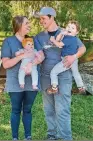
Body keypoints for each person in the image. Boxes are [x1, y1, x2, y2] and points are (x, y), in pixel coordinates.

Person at [33, 7, 86, 140]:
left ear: (51, 17)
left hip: (63, 77)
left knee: (62, 110)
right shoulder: (39, 37)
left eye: (43, 18)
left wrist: (74, 57)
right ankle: (52, 136)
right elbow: (39, 56)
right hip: (46, 77)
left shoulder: (66, 32)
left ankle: (65, 138)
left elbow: (82, 48)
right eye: (40, 19)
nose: (41, 21)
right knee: (49, 110)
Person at [1, 16, 44, 140]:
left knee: (27, 110)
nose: (29, 25)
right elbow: (6, 64)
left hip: (32, 82)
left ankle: (28, 137)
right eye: (27, 23)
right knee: (15, 110)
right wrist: (22, 56)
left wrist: (32, 63)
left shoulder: (32, 39)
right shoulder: (8, 41)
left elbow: (41, 56)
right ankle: (15, 137)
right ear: (19, 25)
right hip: (15, 82)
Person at [47, 20, 85, 94]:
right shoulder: (71, 38)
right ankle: (81, 87)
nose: (70, 29)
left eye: (73, 28)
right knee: (76, 73)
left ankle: (54, 88)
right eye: (69, 27)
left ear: (76, 32)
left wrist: (53, 40)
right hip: (74, 60)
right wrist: (61, 33)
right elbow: (59, 39)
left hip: (67, 60)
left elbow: (59, 44)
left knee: (53, 72)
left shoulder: (69, 39)